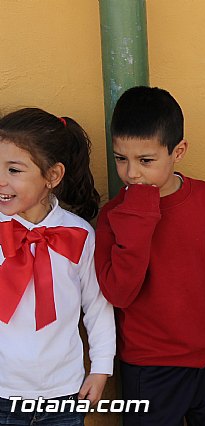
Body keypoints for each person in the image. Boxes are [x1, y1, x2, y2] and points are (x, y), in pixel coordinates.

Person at [94, 86, 205, 425]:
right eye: (120, 159)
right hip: (149, 370)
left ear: (178, 151)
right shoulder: (114, 216)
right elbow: (119, 292)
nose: (131, 173)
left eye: (145, 161)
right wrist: (138, 216)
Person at [0, 108, 115, 425]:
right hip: (2, 391)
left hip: (64, 392)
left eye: (14, 170)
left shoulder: (78, 235)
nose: (0, 181)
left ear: (52, 176)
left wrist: (102, 368)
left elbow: (97, 304)